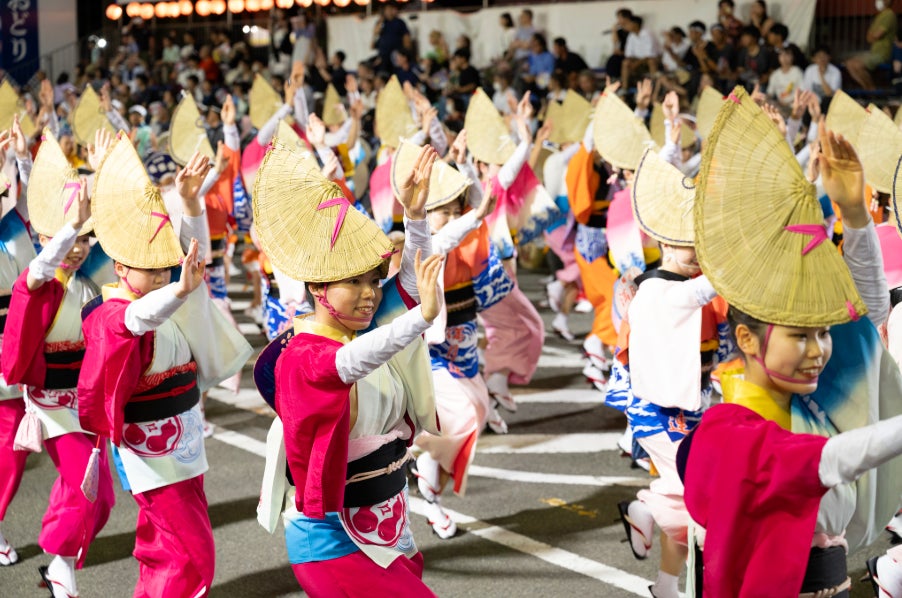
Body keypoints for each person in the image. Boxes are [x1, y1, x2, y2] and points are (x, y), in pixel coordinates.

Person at [680, 88, 902, 597]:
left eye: (822, 333)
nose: (820, 349)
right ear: (747, 338)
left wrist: (855, 215)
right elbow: (832, 461)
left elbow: (863, 317)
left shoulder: (806, 405)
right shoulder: (730, 432)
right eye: (801, 336)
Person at [253, 138, 443, 596]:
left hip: (386, 520)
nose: (370, 293)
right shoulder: (303, 355)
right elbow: (347, 364)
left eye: (373, 280)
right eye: (353, 281)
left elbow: (411, 280)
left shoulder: (364, 330)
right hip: (332, 541)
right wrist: (420, 319)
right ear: (318, 288)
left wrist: (415, 217)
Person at [79, 142, 252, 598]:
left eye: (164, 270)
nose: (162, 276)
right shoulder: (111, 313)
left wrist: (191, 204)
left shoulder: (165, 296)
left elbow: (189, 264)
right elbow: (138, 318)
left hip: (184, 436)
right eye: (151, 270)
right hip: (148, 448)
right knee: (191, 553)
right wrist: (175, 291)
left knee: (165, 546)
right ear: (119, 267)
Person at [1, 135, 117, 598]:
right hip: (50, 404)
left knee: (94, 494)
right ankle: (61, 563)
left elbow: (124, 239)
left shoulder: (92, 280)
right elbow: (40, 267)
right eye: (70, 238)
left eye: (86, 239)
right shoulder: (39, 282)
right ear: (45, 238)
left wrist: (105, 174)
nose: (79, 247)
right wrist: (68, 226)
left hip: (87, 402)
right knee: (89, 487)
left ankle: (59, 562)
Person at [399, 138, 512, 538]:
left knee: (472, 416)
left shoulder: (467, 237)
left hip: (463, 342)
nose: (448, 218)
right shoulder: (421, 246)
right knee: (460, 417)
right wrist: (471, 215)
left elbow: (481, 208)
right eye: (440, 211)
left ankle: (424, 471)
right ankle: (426, 486)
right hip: (431, 351)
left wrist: (465, 172)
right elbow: (448, 234)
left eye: (453, 211)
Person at [845, 0, 897, 90]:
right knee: (849, 64)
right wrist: (873, 36)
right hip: (873, 53)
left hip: (882, 54)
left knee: (857, 65)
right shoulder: (879, 16)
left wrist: (873, 36)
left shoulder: (889, 14)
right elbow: (868, 38)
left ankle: (872, 90)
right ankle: (869, 90)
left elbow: (876, 35)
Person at [372, 4, 410, 71]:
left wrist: (406, 50)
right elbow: (376, 32)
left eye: (390, 9)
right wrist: (381, 20)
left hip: (396, 51)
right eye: (387, 10)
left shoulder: (399, 22)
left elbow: (406, 36)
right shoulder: (382, 22)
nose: (389, 12)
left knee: (396, 70)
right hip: (383, 53)